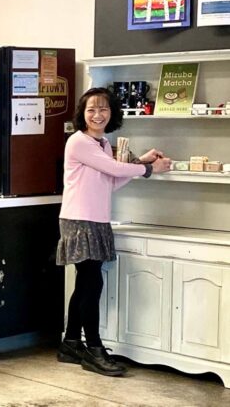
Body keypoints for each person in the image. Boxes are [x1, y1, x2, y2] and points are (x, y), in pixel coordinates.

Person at [56, 87, 171, 377]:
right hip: (79, 220)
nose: (98, 114)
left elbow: (111, 180)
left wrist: (142, 164)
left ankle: (70, 343)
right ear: (82, 113)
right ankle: (93, 349)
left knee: (85, 283)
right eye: (91, 109)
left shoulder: (103, 144)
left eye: (104, 109)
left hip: (97, 220)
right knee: (92, 284)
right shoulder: (78, 142)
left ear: (112, 113)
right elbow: (115, 170)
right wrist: (147, 168)